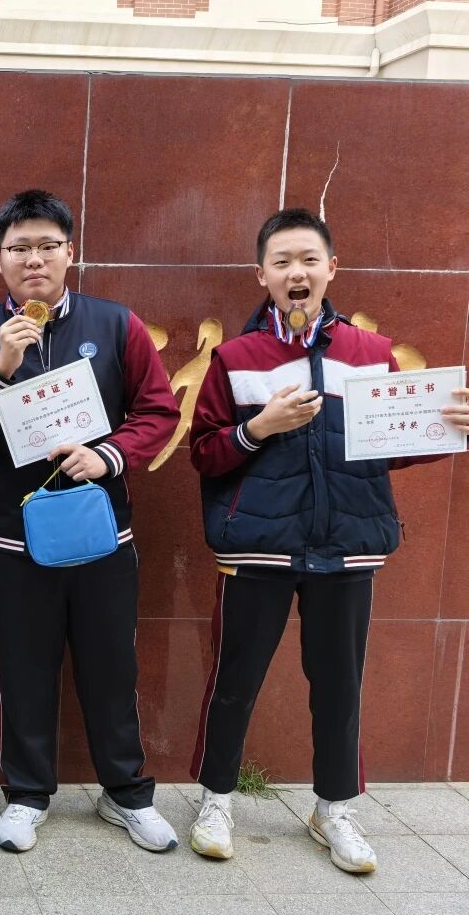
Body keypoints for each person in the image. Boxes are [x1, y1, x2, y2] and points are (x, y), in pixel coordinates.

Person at [187, 207, 469, 872]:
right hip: (257, 544)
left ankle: (333, 810)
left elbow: (388, 447)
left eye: (309, 260)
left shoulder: (370, 354)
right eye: (282, 261)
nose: (297, 272)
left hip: (346, 544)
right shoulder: (235, 358)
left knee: (339, 685)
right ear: (261, 274)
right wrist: (259, 428)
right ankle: (216, 800)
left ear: (331, 269)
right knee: (235, 679)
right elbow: (204, 452)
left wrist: (446, 428)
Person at [0, 189, 181, 854]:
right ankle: (27, 794)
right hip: (17, 538)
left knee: (111, 668)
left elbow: (158, 412)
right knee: (24, 670)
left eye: (47, 246)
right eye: (19, 248)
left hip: (103, 532)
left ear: (70, 252)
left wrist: (109, 456)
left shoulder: (115, 325)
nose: (34, 259)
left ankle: (126, 793)